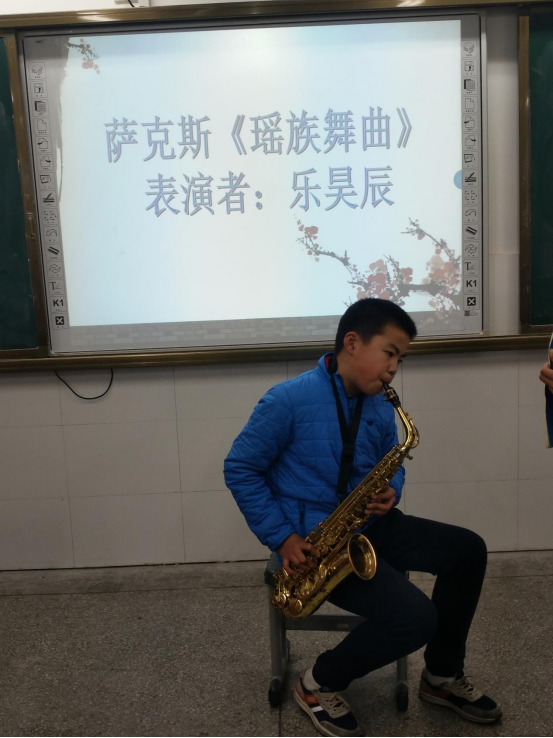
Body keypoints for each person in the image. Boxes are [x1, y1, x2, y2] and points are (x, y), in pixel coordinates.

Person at [224, 298, 501, 738]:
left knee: (468, 550)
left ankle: (441, 677)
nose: (394, 368)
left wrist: (393, 490)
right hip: (318, 548)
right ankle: (318, 682)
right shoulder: (287, 400)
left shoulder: (379, 405)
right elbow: (240, 469)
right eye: (389, 353)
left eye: (400, 359)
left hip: (370, 526)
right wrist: (283, 538)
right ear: (352, 343)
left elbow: (392, 463)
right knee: (416, 619)